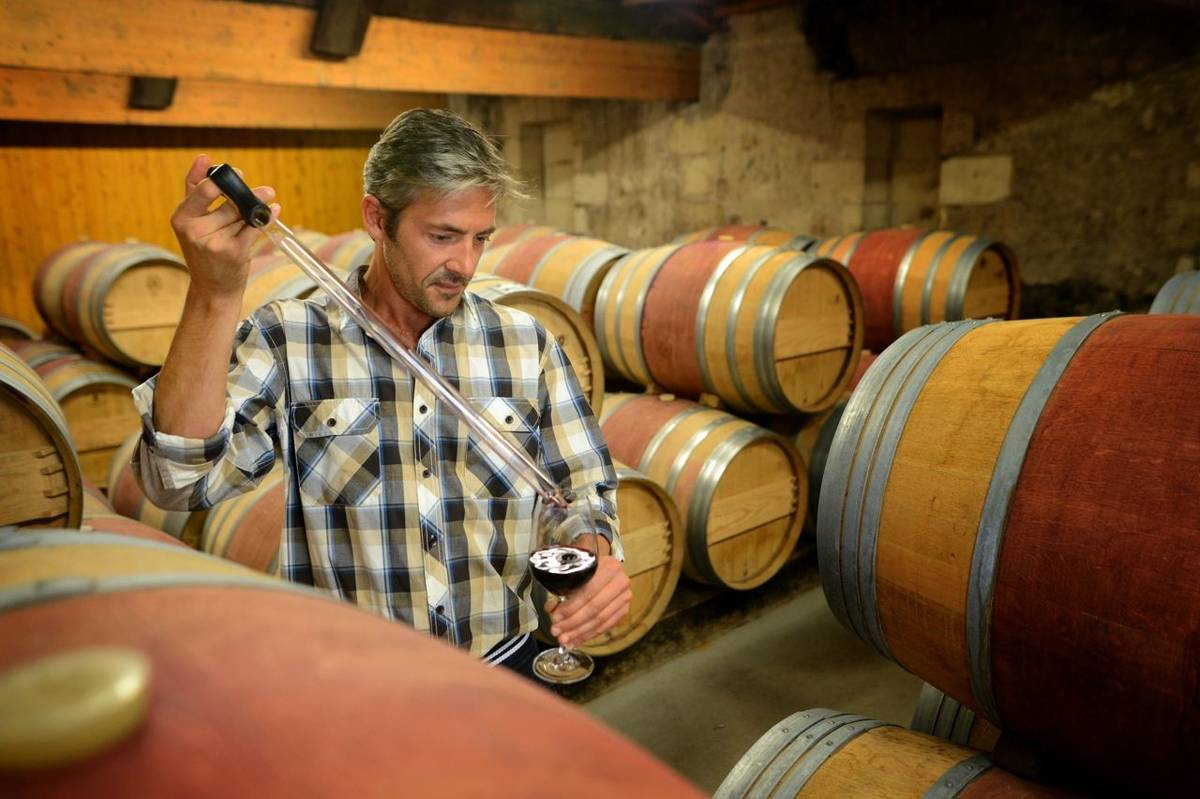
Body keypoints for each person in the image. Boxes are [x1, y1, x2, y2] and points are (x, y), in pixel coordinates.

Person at [132, 108, 632, 681]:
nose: (464, 264)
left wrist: (594, 556)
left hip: (504, 671)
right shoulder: (290, 338)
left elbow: (579, 489)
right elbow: (178, 480)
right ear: (377, 217)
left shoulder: (526, 344)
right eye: (442, 236)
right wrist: (214, 294)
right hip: (354, 682)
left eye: (480, 239)